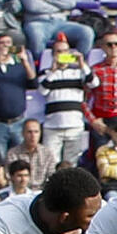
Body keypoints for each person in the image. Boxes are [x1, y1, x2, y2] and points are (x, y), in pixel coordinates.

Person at [38, 36, 98, 164]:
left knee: (72, 163)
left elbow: (94, 83)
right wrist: (53, 71)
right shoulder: (46, 73)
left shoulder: (78, 72)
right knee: (50, 164)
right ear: (53, 54)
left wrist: (82, 64)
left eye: (65, 51)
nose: (62, 54)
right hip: (52, 126)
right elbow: (42, 90)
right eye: (58, 51)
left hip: (74, 125)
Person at [6, 119, 56, 191]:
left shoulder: (47, 153)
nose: (33, 136)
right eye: (29, 132)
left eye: (36, 132)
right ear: (22, 133)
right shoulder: (13, 153)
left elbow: (51, 176)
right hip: (19, 193)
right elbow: (9, 177)